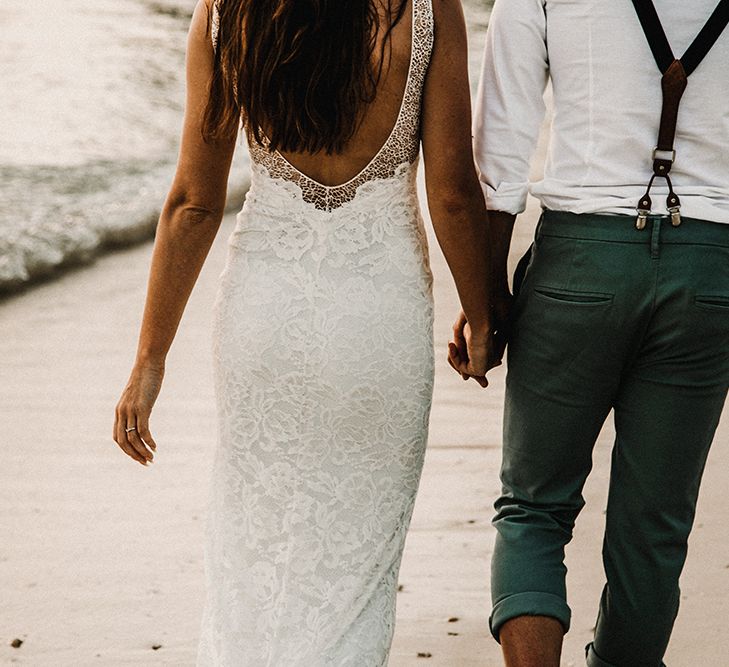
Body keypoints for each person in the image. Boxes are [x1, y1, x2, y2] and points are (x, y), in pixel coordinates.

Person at [113, 0, 501, 663]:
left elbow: (193, 201)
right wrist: (483, 312)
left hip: (264, 311)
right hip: (380, 314)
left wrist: (150, 358)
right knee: (357, 560)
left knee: (249, 547)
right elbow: (454, 192)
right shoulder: (427, 11)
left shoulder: (228, 13)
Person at [449, 0, 729, 665]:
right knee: (654, 529)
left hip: (580, 259)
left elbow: (501, 153)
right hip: (711, 268)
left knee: (532, 509)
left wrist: (487, 300)